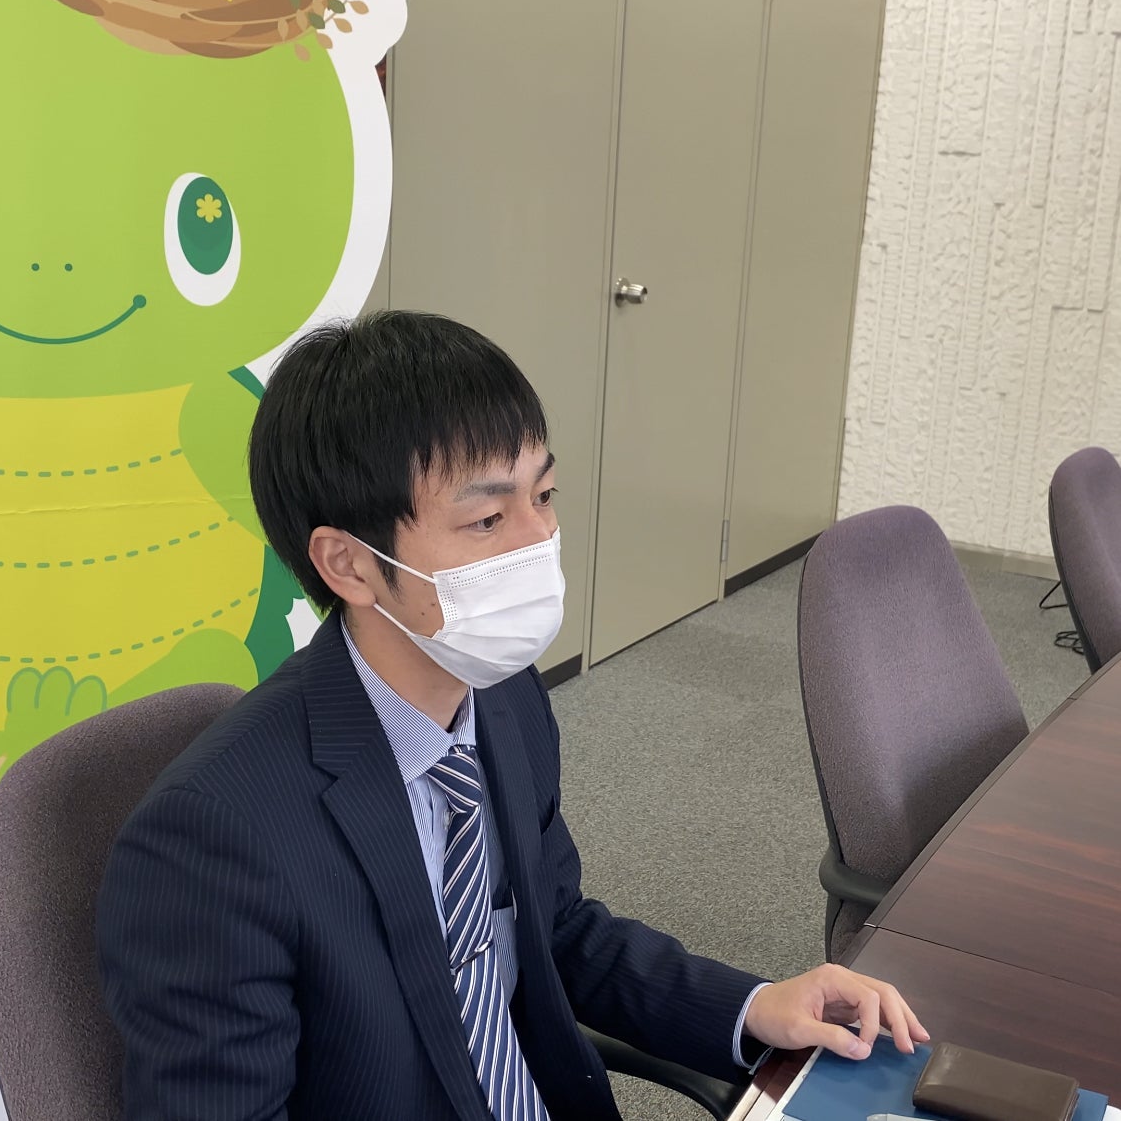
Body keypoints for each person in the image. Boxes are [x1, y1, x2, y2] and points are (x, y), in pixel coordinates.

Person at [96, 311, 928, 1120]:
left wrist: (752, 1007)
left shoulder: (502, 697)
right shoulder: (212, 839)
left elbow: (553, 928)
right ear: (348, 563)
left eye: (544, 495)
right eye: (487, 519)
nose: (537, 541)